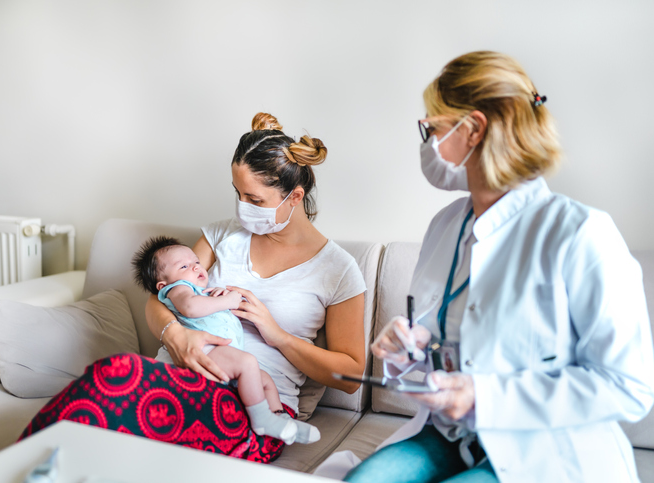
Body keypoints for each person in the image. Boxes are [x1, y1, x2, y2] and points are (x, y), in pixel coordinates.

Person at [343, 51, 654, 482]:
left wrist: (485, 397)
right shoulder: (446, 226)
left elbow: (629, 388)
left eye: (431, 128)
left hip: (544, 449)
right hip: (453, 435)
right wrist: (407, 351)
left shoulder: (580, 234)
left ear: (472, 129)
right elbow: (443, 356)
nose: (427, 144)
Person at [145, 111, 367, 424]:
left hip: (255, 405)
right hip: (181, 377)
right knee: (104, 386)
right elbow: (159, 299)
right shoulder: (219, 235)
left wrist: (279, 337)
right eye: (238, 194)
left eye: (255, 199)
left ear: (295, 197)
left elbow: (351, 376)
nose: (242, 208)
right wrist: (176, 338)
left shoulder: (338, 269)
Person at [131, 235, 320, 444]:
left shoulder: (200, 292)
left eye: (196, 262)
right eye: (184, 266)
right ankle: (263, 419)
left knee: (263, 378)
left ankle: (278, 418)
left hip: (221, 357)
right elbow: (191, 308)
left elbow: (204, 306)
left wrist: (220, 297)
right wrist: (228, 301)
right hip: (205, 352)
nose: (195, 267)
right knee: (248, 362)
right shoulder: (178, 290)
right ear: (162, 285)